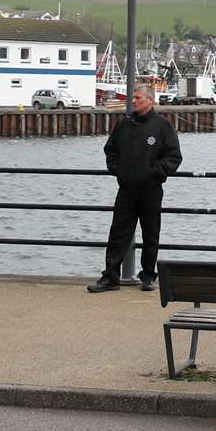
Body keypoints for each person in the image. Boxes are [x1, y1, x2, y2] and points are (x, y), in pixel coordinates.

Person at [90, 83, 182, 292]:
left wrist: (154, 172)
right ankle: (110, 277)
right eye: (133, 98)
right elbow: (110, 150)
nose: (133, 101)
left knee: (151, 234)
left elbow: (174, 157)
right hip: (126, 189)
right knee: (118, 234)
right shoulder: (124, 124)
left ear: (150, 101)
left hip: (151, 189)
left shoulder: (162, 126)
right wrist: (117, 169)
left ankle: (148, 276)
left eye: (138, 98)